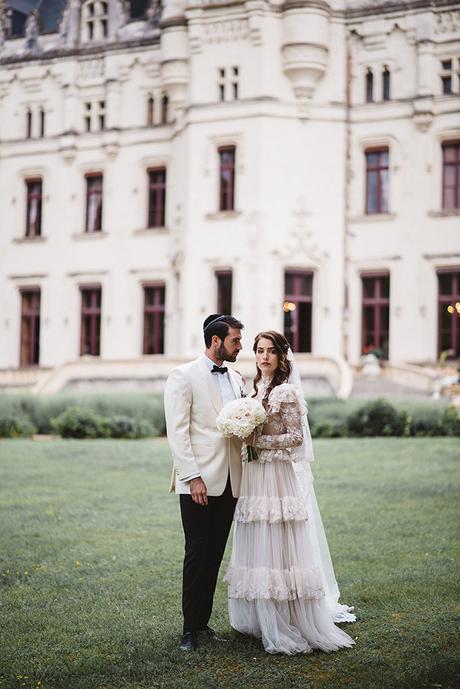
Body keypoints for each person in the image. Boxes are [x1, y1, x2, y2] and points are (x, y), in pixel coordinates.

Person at [224, 330, 356, 655]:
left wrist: (259, 442)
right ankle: (259, 616)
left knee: (279, 541)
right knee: (258, 540)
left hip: (277, 476)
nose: (264, 357)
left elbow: (296, 437)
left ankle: (288, 617)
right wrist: (243, 433)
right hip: (255, 476)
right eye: (259, 351)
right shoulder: (252, 390)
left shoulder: (287, 392)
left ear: (282, 357)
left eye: (270, 351)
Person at [164, 314, 245, 651]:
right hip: (197, 482)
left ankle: (203, 623)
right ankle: (188, 631)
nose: (240, 346)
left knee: (213, 555)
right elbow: (177, 431)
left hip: (231, 482)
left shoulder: (237, 378)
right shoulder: (183, 376)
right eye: (235, 341)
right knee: (197, 553)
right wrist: (192, 477)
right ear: (216, 341)